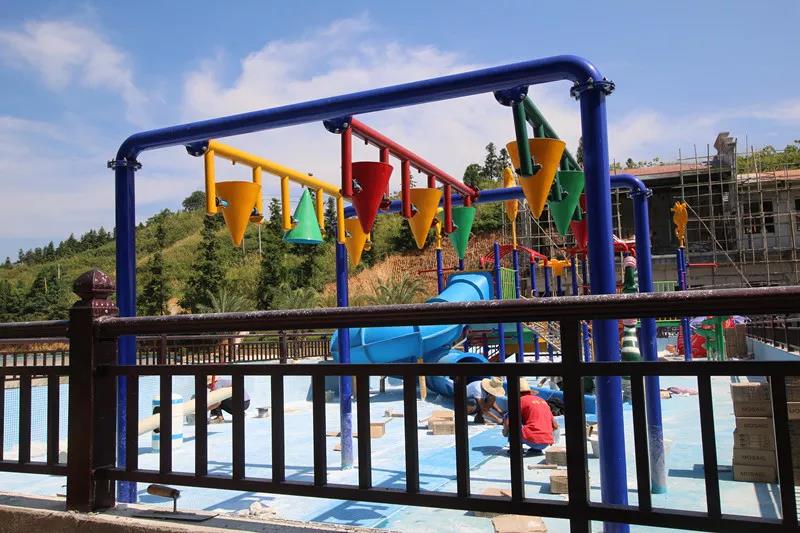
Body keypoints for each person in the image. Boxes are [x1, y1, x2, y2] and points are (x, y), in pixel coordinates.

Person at [503, 378, 559, 455]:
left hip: (532, 439)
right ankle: (535, 450)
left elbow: (509, 422)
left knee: (507, 416)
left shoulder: (519, 401)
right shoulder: (542, 400)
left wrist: (506, 432)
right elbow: (555, 425)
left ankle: (515, 448)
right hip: (546, 442)